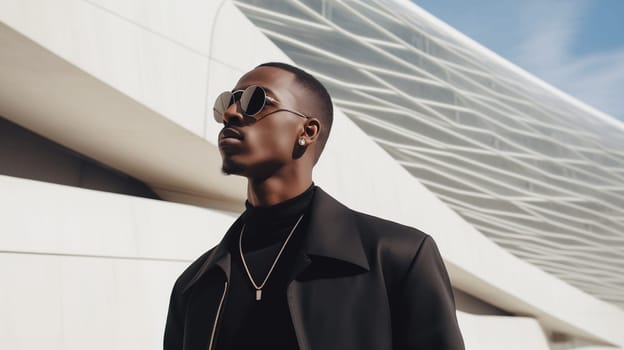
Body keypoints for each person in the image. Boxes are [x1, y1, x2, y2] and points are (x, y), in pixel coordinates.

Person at [164, 62, 465, 350]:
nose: (231, 113)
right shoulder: (194, 285)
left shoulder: (398, 256)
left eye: (256, 101)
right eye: (227, 102)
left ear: (307, 132)